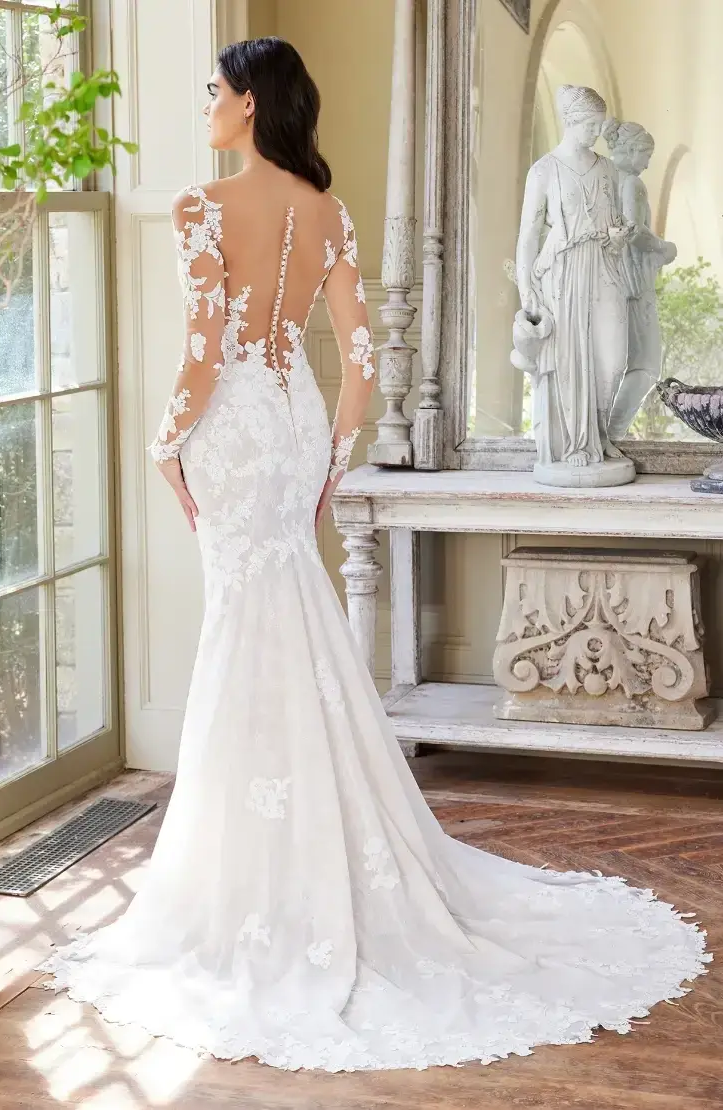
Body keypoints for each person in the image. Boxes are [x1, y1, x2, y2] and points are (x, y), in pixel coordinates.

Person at [38, 41, 710, 1071]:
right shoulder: (327, 210)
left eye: (213, 93)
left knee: (242, 623)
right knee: (288, 613)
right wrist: (326, 457)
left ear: (249, 102)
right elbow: (356, 354)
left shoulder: (199, 205)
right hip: (295, 423)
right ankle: (303, 849)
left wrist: (164, 442)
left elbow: (203, 346)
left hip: (228, 424)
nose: (206, 107)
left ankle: (246, 873)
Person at [516, 85, 635, 471]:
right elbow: (528, 236)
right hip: (563, 276)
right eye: (590, 125)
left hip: (603, 266)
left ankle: (599, 432)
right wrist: (525, 288)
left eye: (599, 126)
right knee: (569, 361)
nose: (596, 134)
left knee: (613, 358)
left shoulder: (606, 169)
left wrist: (618, 240)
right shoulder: (544, 170)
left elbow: (611, 224)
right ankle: (576, 444)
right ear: (571, 121)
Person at [603, 118, 677, 441]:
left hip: (620, 282)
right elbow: (633, 231)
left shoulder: (608, 181)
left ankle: (607, 433)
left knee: (627, 364)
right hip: (636, 284)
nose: (647, 162)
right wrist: (664, 247)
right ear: (631, 150)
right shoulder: (631, 183)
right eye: (646, 154)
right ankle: (613, 433)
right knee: (646, 366)